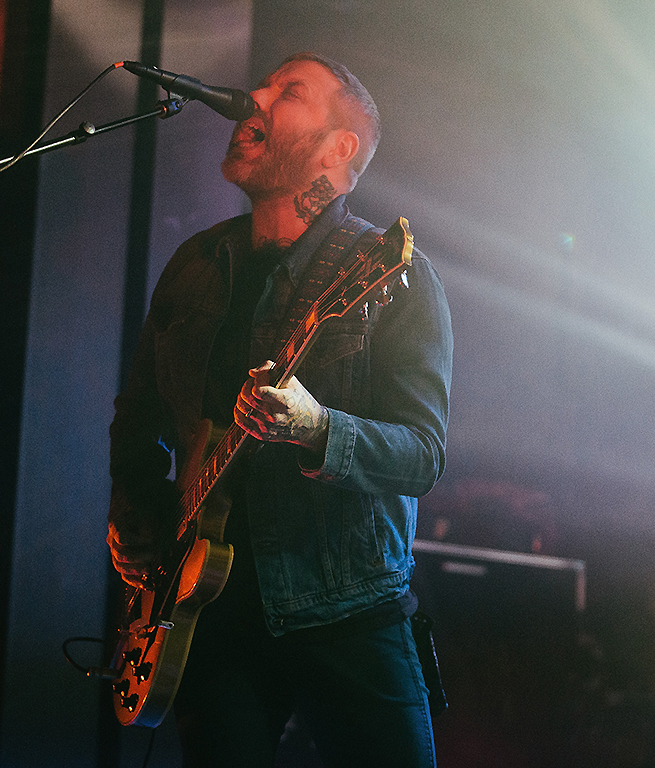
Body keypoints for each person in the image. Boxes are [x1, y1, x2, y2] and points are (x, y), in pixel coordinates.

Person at [106, 51, 452, 767]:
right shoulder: (195, 267)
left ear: (340, 147)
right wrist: (135, 510)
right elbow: (137, 418)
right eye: (262, 85)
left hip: (346, 606)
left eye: (287, 92)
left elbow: (423, 455)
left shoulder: (390, 272)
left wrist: (318, 430)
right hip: (206, 614)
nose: (254, 99)